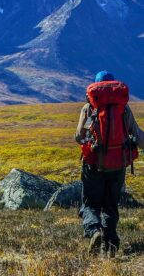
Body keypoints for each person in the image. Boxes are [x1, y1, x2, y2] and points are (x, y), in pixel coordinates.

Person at [75, 70, 144, 258]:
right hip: (118, 165)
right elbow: (138, 135)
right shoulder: (123, 108)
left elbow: (78, 136)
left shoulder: (88, 107)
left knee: (90, 204)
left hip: (94, 164)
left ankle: (94, 231)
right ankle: (111, 245)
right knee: (111, 205)